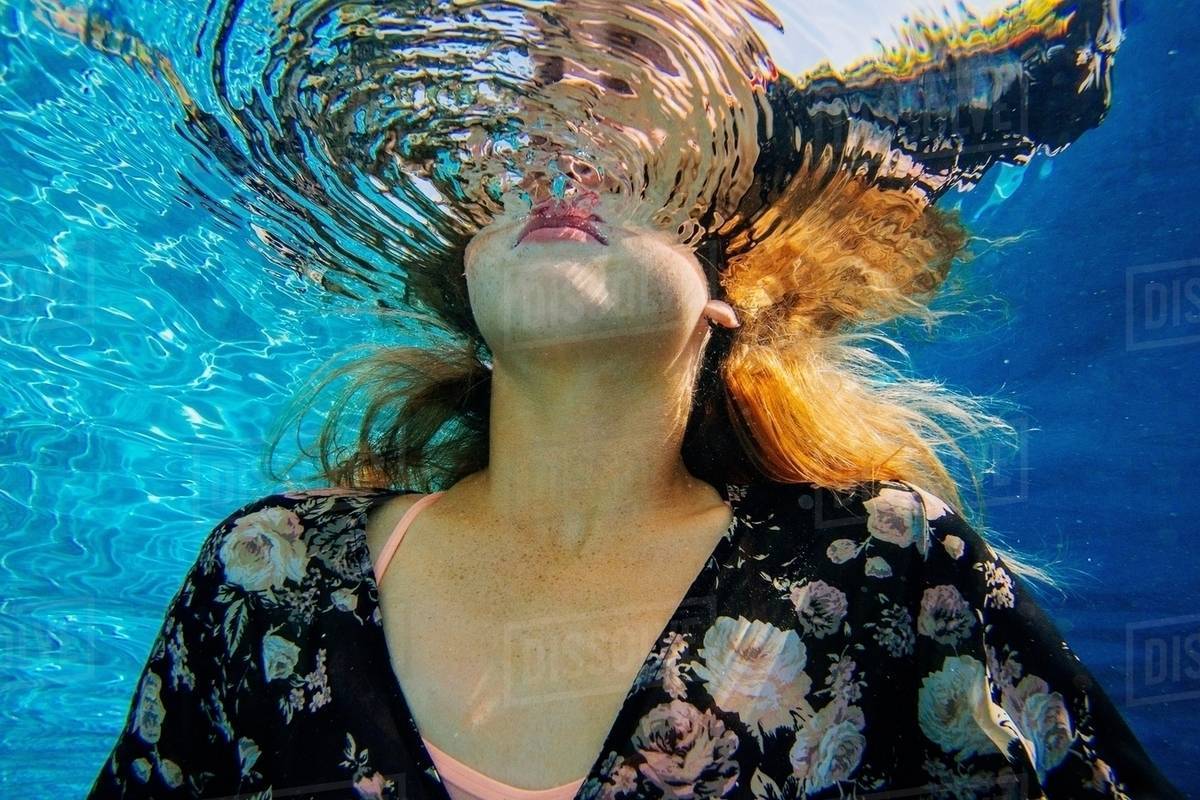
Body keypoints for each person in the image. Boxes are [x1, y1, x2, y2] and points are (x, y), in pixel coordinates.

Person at [60, 0, 1185, 797]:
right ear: (466, 276)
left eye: (634, 62)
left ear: (741, 288)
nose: (569, 115)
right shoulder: (266, 576)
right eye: (544, 72)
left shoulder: (888, 569)